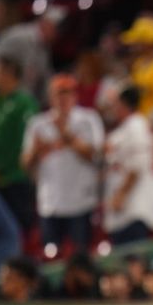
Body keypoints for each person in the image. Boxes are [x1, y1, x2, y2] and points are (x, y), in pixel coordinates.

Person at [22, 74, 105, 254]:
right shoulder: (38, 123)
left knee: (81, 255)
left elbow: (96, 156)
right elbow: (25, 164)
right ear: (51, 96)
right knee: (51, 256)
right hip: (51, 202)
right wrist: (37, 150)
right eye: (59, 93)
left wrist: (65, 134)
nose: (63, 98)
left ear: (75, 95)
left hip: (81, 201)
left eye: (67, 92)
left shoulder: (88, 119)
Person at [0, 55, 39, 232]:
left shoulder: (24, 103)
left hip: (14, 177)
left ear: (10, 74)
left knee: (19, 227)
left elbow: (22, 141)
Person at [102, 86, 153, 245]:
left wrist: (121, 195)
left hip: (135, 207)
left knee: (134, 258)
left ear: (123, 104)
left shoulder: (136, 125)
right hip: (127, 209)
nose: (112, 107)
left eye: (115, 103)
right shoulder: (127, 127)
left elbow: (138, 165)